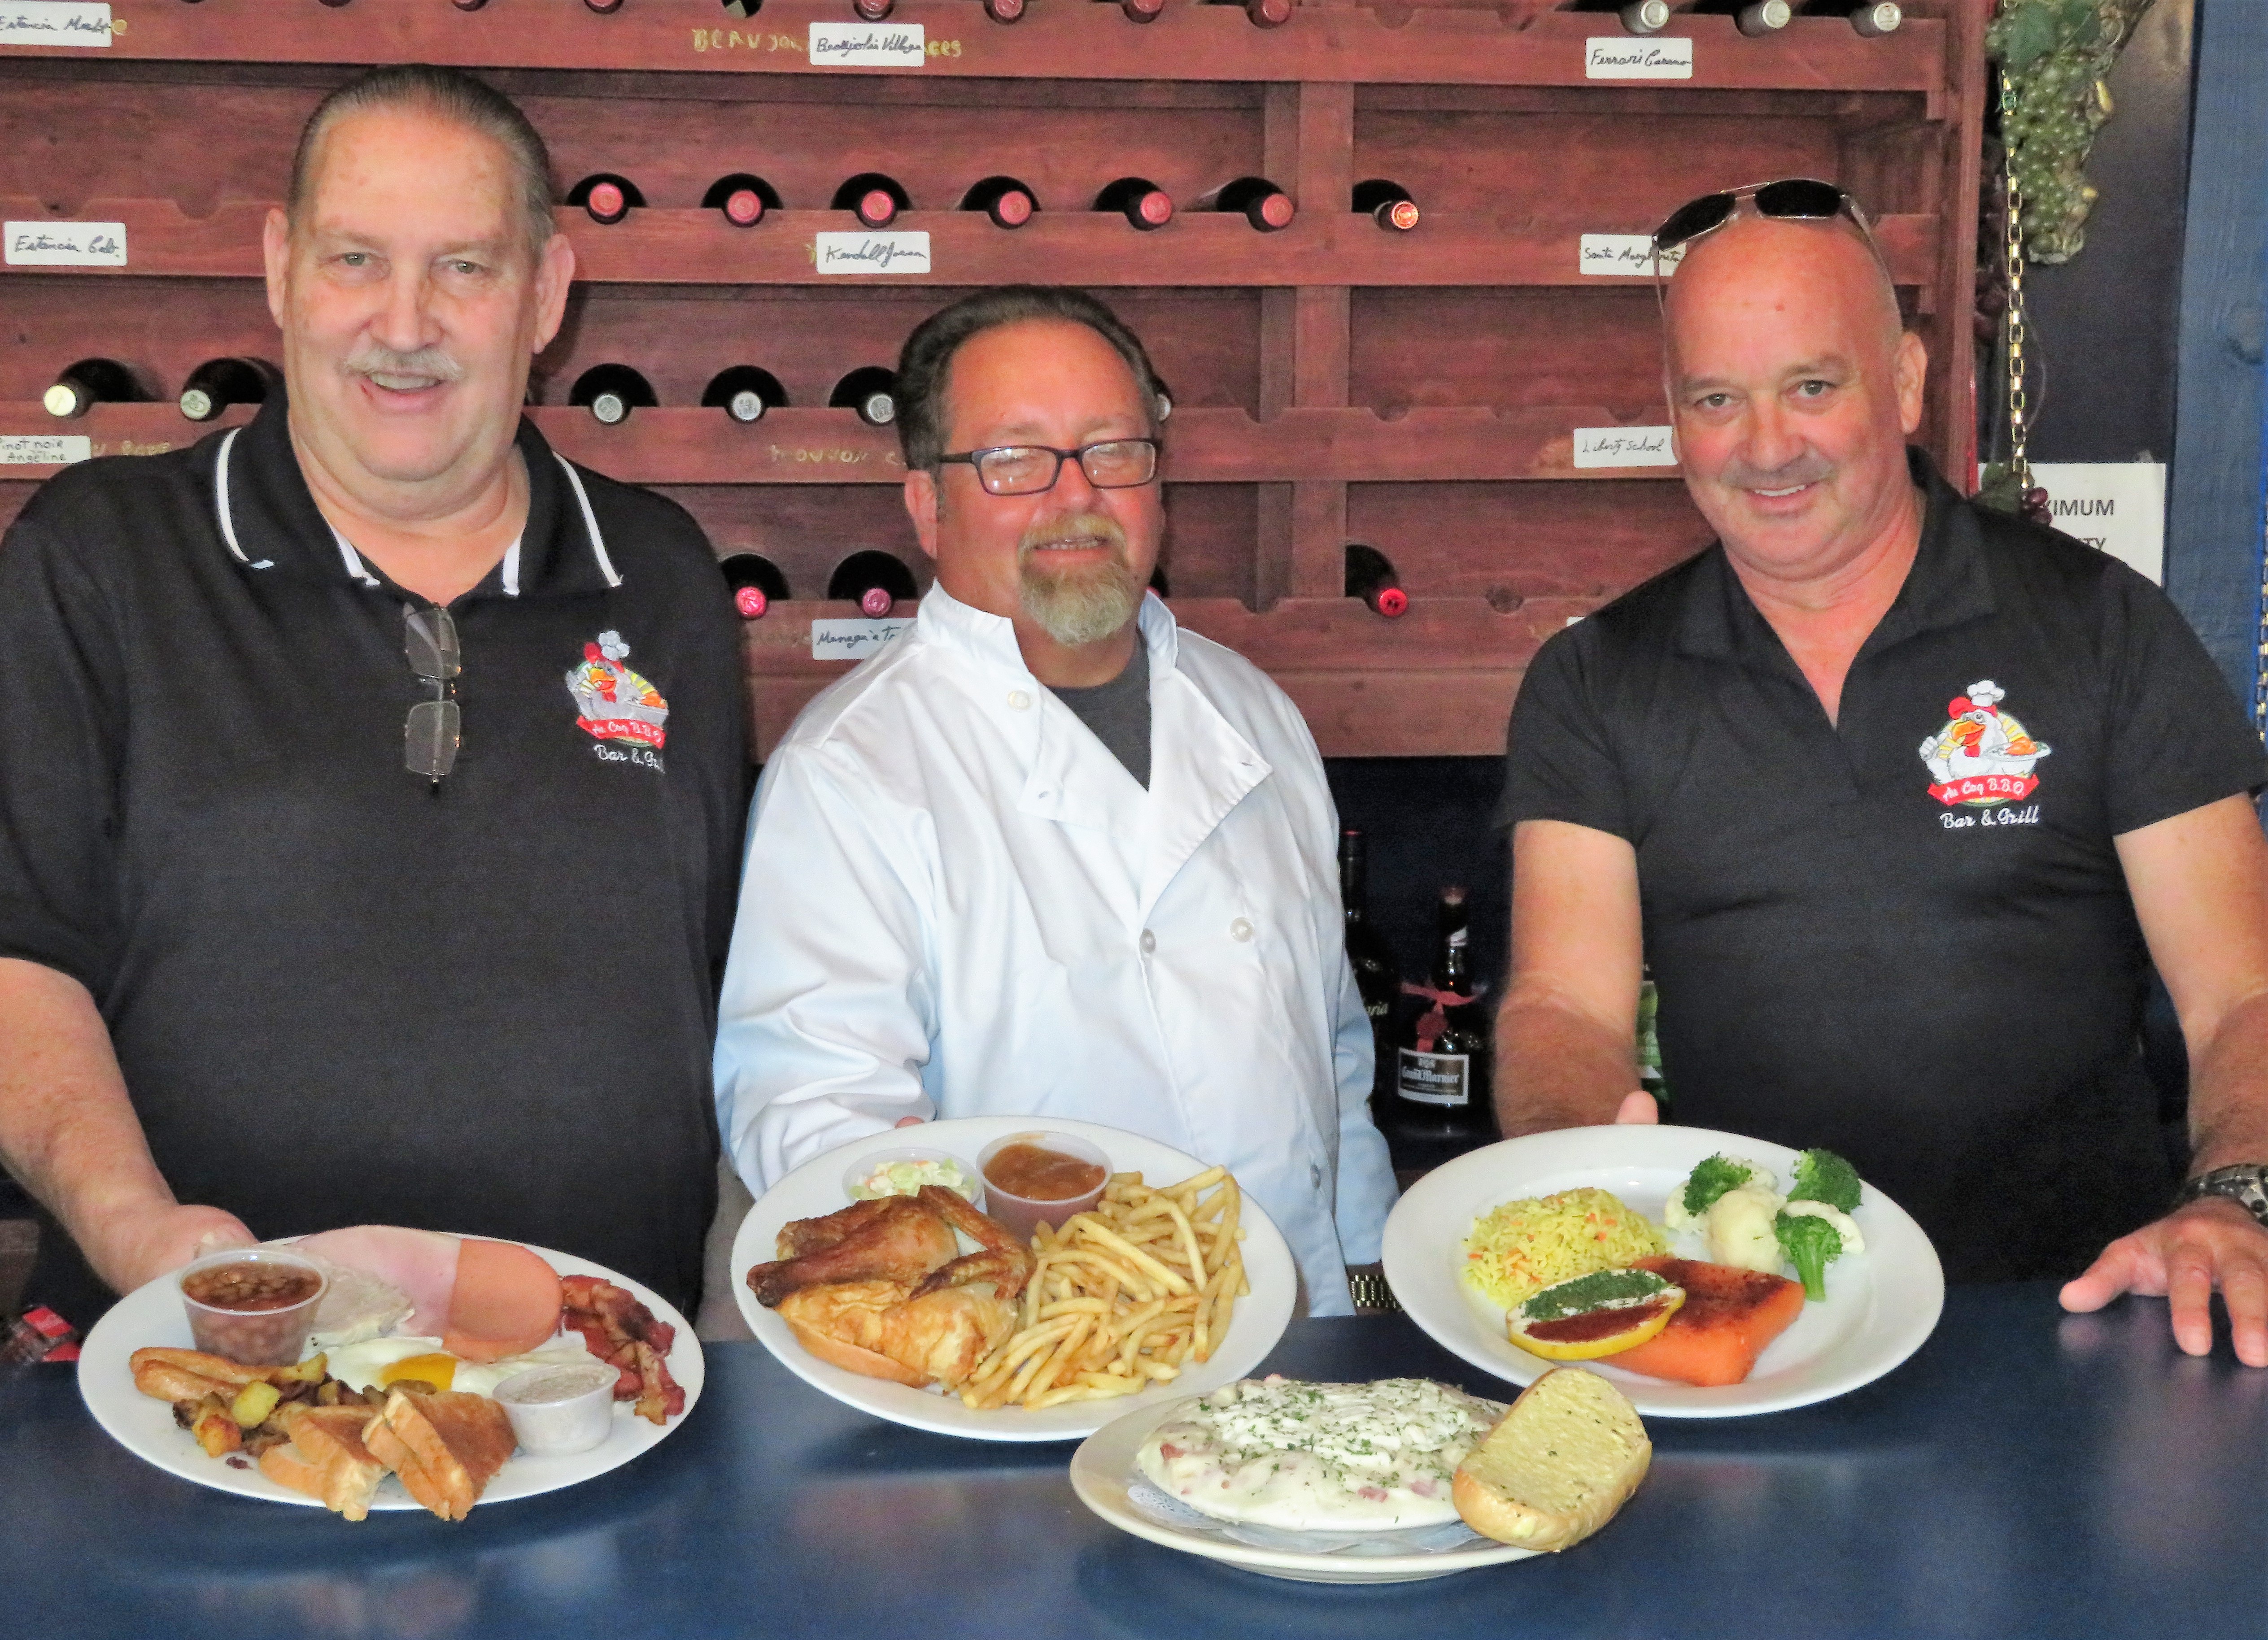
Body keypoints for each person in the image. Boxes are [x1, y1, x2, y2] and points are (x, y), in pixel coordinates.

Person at [0, 66, 746, 1327]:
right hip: (207, 1357)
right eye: (357, 259)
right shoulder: (105, 553)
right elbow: (8, 948)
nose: (404, 324)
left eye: (463, 268)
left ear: (546, 292)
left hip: (595, 1369)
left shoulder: (661, 576)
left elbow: (721, 967)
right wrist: (132, 1225)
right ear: (281, 267)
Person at [1494, 180, 2268, 1364]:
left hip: (2078, 1318)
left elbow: (2240, 997)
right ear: (1674, 416)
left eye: (1813, 387)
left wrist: (2236, 1196)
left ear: (1905, 384)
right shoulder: (1596, 679)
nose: (1767, 449)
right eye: (1717, 399)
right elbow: (1563, 1007)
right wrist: (1575, 1165)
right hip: (1750, 1333)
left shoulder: (2103, 631)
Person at [714, 286, 1396, 1314]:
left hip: (1305, 1345)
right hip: (1034, 1360)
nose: (1076, 495)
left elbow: (1332, 1056)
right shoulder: (850, 772)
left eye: (1113, 451)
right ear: (927, 506)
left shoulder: (1254, 713)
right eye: (1014, 459)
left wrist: (1372, 1301)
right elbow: (817, 1124)